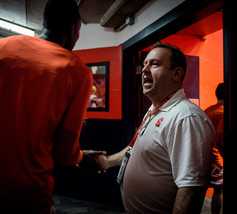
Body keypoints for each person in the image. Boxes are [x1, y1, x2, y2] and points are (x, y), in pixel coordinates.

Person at [0, 0, 101, 213]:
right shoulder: (78, 72)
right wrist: (82, 157)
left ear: (45, 22)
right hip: (26, 199)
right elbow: (64, 153)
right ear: (74, 27)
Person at [95, 42, 215, 213]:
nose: (144, 70)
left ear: (176, 74)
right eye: (145, 64)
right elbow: (134, 148)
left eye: (155, 64)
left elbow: (191, 189)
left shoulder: (186, 118)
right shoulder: (155, 109)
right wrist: (107, 162)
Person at [204, 83, 224, 214]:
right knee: (219, 189)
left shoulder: (208, 110)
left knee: (198, 189)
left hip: (201, 157)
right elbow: (221, 140)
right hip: (216, 158)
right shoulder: (223, 113)